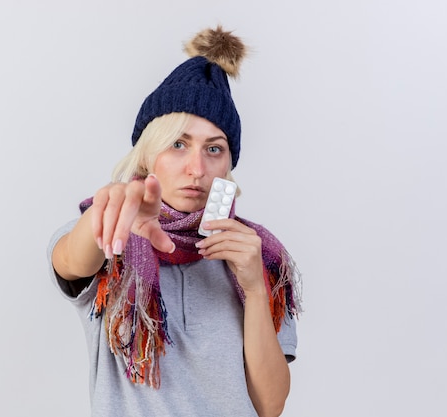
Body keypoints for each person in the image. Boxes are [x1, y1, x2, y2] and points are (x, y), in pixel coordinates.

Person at [47, 25, 303, 417]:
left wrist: (255, 291)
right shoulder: (111, 234)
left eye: (213, 149)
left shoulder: (255, 255)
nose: (196, 168)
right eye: (178, 144)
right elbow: (69, 262)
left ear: (228, 164)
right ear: (149, 155)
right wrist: (107, 214)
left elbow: (270, 406)